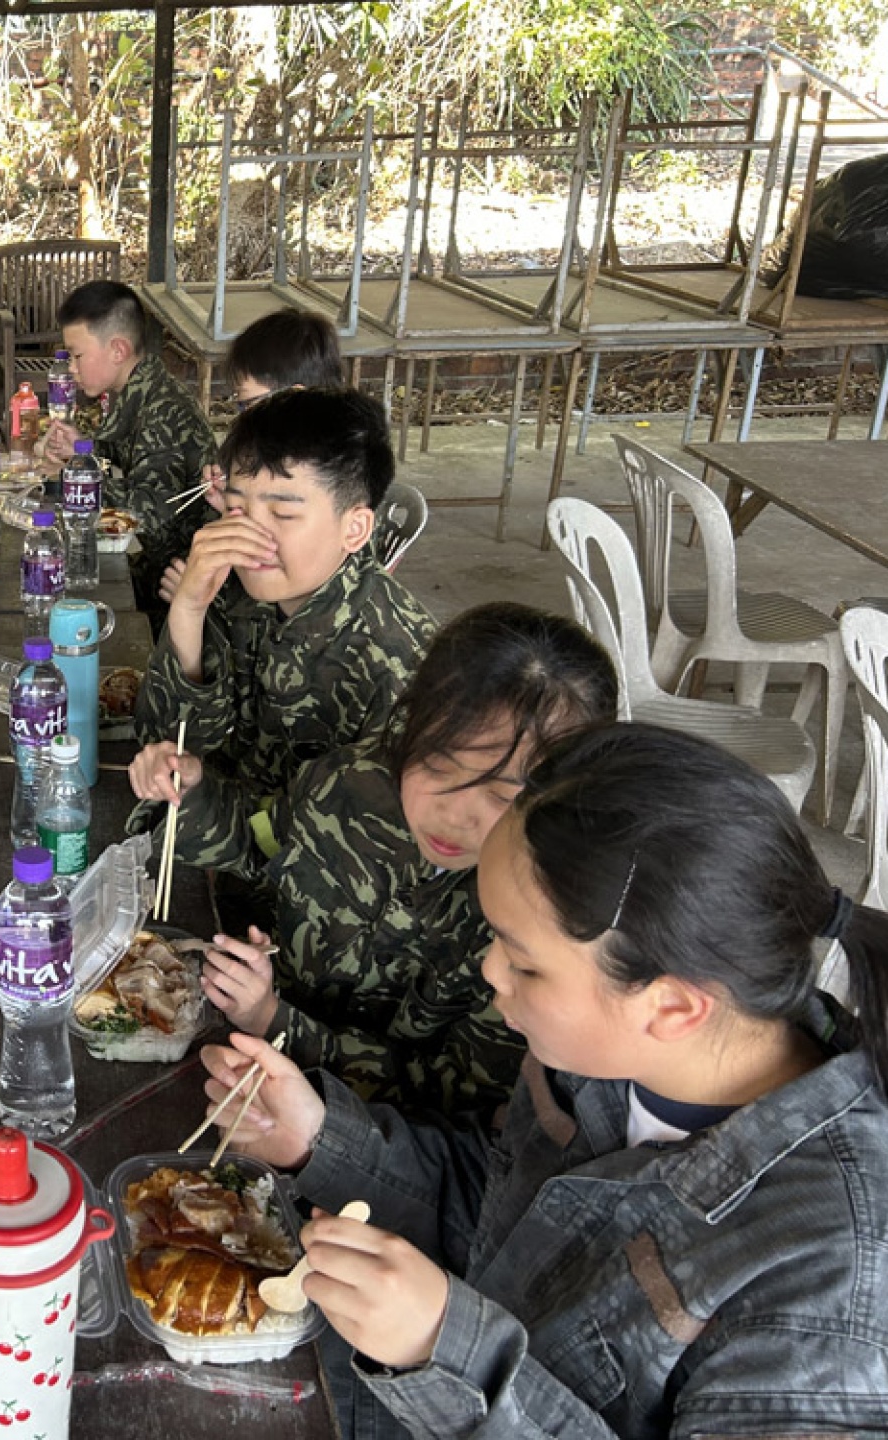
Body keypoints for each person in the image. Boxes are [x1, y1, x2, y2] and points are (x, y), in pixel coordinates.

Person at [203, 722, 888, 1436]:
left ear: (673, 1006)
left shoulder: (832, 1281)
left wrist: (449, 1351)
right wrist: (319, 1138)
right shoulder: (602, 1063)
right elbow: (500, 1215)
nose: (489, 971)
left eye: (524, 963)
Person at [177, 604, 619, 1113]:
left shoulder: (539, 931)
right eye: (437, 766)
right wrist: (191, 796)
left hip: (375, 1137)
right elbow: (260, 847)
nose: (453, 815)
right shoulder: (347, 787)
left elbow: (463, 1095)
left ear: (560, 798)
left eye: (500, 795)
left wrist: (275, 1021)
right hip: (243, 1074)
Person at [131, 386, 434, 929]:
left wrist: (200, 796)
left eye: (283, 514)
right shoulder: (238, 591)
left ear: (355, 529)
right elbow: (163, 740)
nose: (252, 536)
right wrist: (188, 610)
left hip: (302, 933)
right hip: (220, 875)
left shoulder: (399, 665)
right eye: (237, 508)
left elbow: (327, 866)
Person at [38, 280, 216, 614]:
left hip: (181, 586)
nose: (71, 369)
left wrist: (73, 482)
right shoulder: (145, 391)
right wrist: (83, 449)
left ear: (118, 350)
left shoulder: (163, 410)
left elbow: (147, 512)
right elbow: (127, 450)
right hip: (163, 566)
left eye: (77, 356)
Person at [162, 306, 346, 604]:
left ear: (292, 398)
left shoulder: (328, 477)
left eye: (247, 404)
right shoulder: (286, 458)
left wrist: (194, 601)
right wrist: (232, 504)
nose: (242, 417)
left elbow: (272, 599)